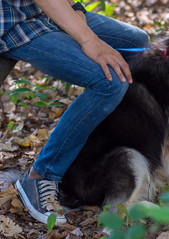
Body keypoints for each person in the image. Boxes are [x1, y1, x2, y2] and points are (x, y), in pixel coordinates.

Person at [0, 0, 149, 225]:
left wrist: (76, 7)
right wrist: (89, 40)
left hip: (46, 11)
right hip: (14, 22)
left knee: (136, 41)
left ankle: (102, 157)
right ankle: (41, 174)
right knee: (109, 83)